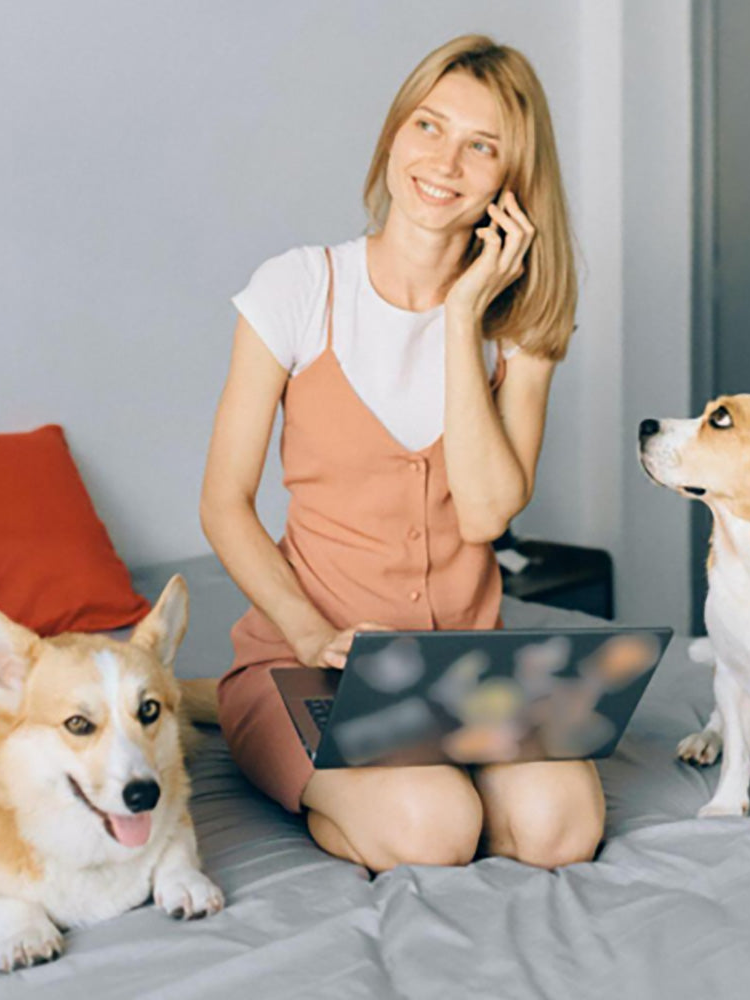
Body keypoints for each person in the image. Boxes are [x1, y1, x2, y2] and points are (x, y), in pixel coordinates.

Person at [201, 35, 605, 872]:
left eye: (481, 146)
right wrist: (309, 634)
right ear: (393, 135)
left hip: (464, 670)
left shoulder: (520, 330)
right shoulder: (298, 288)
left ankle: (422, 766)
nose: (444, 161)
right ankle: (233, 708)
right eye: (428, 125)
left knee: (562, 831)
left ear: (510, 185)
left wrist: (462, 319)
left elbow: (491, 511)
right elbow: (224, 503)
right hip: (309, 664)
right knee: (435, 831)